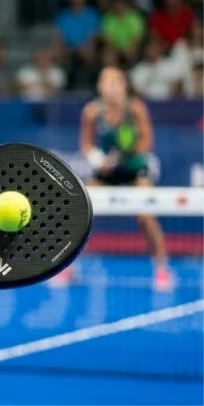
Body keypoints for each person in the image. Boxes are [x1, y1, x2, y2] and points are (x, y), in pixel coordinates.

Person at [51, 66, 172, 292]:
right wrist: (99, 159)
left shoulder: (135, 109)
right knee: (80, 209)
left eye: (114, 83)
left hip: (135, 169)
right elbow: (86, 144)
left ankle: (162, 268)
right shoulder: (92, 112)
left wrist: (124, 155)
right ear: (100, 87)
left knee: (145, 216)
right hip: (106, 171)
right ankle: (68, 266)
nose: (110, 88)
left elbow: (147, 143)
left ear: (123, 86)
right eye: (105, 83)